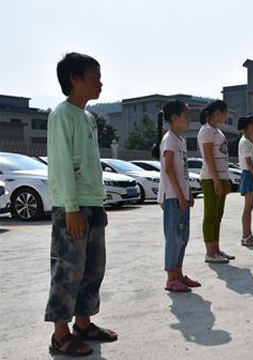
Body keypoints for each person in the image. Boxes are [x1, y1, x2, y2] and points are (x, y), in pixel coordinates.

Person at [45, 52, 117, 357]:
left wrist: (98, 204)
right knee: (68, 270)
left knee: (92, 267)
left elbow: (90, 165)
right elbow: (61, 164)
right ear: (74, 80)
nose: (100, 83)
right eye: (94, 77)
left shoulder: (88, 118)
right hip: (71, 207)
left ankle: (84, 324)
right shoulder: (61, 114)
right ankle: (60, 335)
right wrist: (71, 208)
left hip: (91, 204)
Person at [158, 100, 200, 292]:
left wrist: (188, 192)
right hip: (172, 197)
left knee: (184, 236)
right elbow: (168, 169)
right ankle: (170, 278)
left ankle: (179, 274)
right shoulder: (169, 139)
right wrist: (179, 195)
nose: (188, 119)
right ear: (174, 118)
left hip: (182, 195)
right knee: (174, 237)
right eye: (186, 115)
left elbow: (182, 171)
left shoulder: (181, 140)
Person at [198, 100, 235, 264]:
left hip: (222, 176)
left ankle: (216, 249)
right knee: (210, 214)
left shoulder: (217, 131)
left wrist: (224, 179)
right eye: (225, 112)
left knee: (218, 215)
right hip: (210, 178)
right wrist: (216, 180)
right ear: (217, 113)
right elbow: (208, 156)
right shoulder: (206, 130)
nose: (226, 116)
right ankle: (210, 253)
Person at [237, 115, 253, 247]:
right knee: (248, 207)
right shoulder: (245, 142)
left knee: (250, 207)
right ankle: (246, 236)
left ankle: (248, 235)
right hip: (249, 174)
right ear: (247, 127)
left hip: (251, 173)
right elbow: (249, 163)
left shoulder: (249, 141)